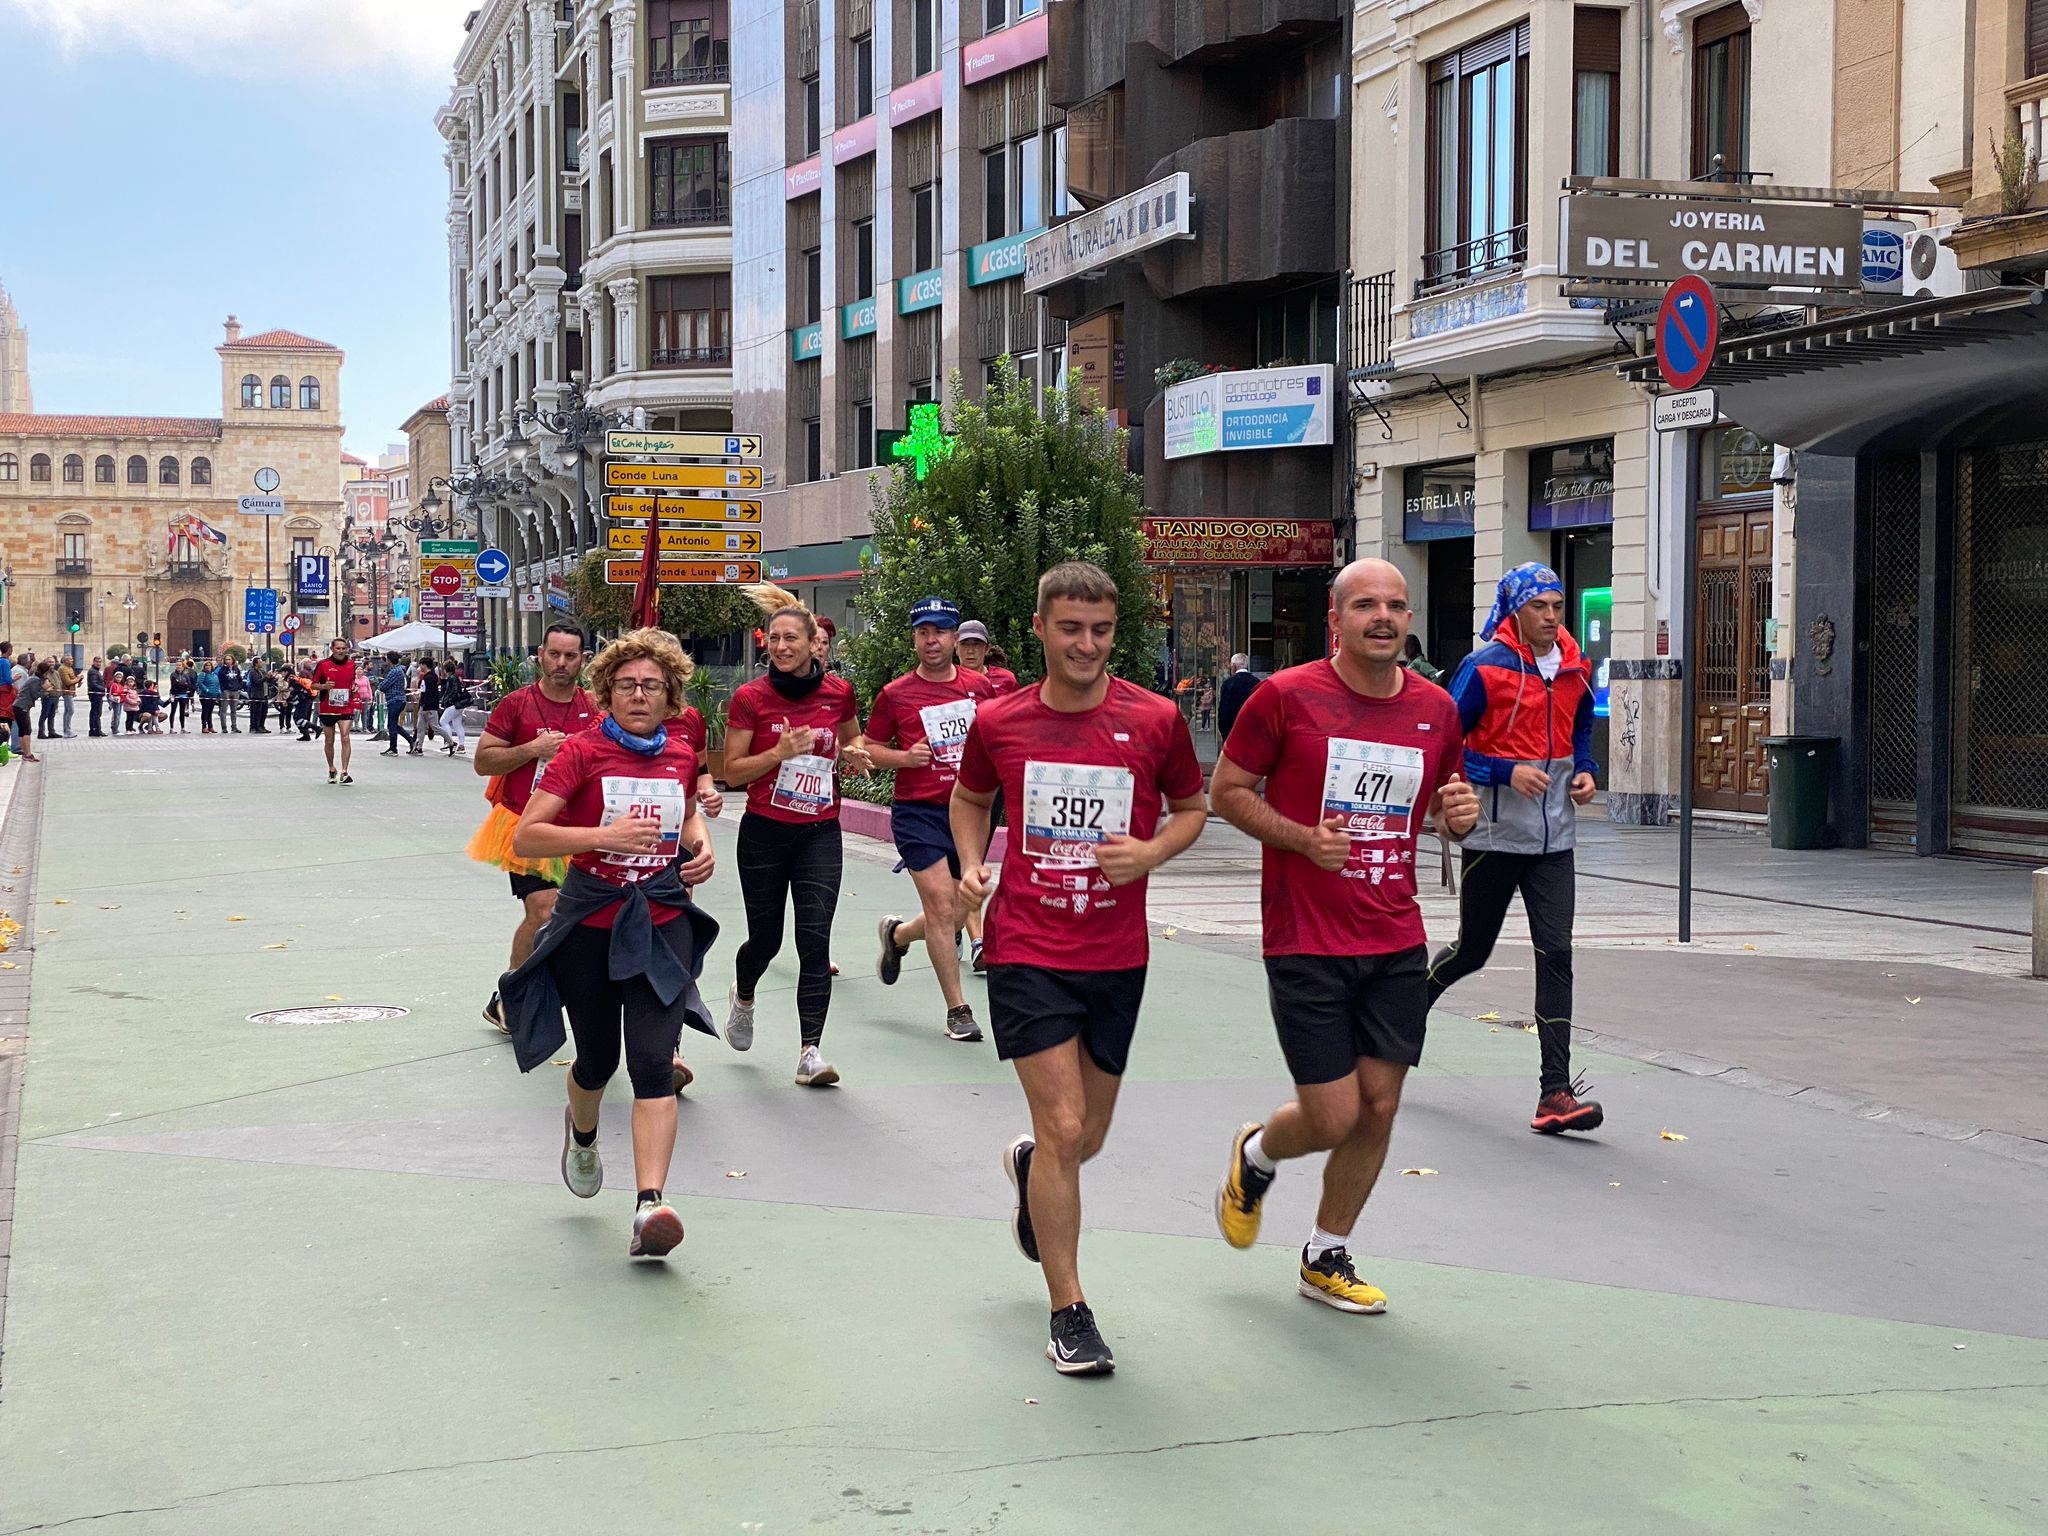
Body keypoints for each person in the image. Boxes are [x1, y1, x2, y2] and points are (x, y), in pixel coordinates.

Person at [954, 560, 1208, 1377]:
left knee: (1083, 1138)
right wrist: (970, 866)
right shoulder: (1002, 721)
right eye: (1070, 628)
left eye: (1100, 630)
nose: (1087, 644)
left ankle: (1031, 1171)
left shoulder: (1158, 719)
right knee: (1064, 1126)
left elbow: (1191, 809)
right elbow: (969, 798)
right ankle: (1070, 1310)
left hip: (1115, 953)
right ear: (1039, 630)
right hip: (1027, 946)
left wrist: (1152, 852)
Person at [1210, 558, 1479, 1316]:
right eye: (1366, 605)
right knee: (1333, 1115)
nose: (1384, 617)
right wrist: (1301, 838)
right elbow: (1227, 792)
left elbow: (1445, 807)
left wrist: (1459, 816)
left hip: (1394, 932)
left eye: (1396, 605)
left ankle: (1326, 1252)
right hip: (1305, 934)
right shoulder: (1284, 699)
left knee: (1381, 1107)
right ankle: (1256, 1154)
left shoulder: (1435, 710)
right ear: (1337, 620)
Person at [500, 627, 720, 1260]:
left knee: (652, 1064)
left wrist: (697, 847)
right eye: (626, 684)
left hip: (660, 920)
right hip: (589, 921)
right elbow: (529, 838)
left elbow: (688, 810)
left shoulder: (679, 753)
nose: (639, 695)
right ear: (607, 692)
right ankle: (584, 1132)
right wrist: (604, 836)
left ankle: (650, 1204)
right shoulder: (581, 752)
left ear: (670, 693)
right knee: (597, 1060)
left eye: (652, 685)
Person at [1426, 562, 1603, 1134]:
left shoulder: (1577, 667)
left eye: (1557, 606)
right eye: (1539, 608)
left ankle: (1555, 1092)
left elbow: (1579, 729)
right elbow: (1445, 744)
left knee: (1557, 952)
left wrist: (1586, 769)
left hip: (1555, 839)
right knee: (1472, 951)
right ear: (1514, 612)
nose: (1551, 617)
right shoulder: (1484, 669)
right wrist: (1503, 772)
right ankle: (1404, 1013)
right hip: (1493, 836)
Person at [720, 597, 868, 1087]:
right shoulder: (751, 697)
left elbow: (853, 741)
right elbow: (733, 770)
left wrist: (856, 755)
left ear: (812, 644)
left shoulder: (839, 692)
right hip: (764, 830)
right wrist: (778, 752)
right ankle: (743, 995)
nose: (782, 646)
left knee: (814, 939)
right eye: (775, 639)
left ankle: (810, 1051)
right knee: (766, 939)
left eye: (791, 639)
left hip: (819, 831)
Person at [860, 597, 995, 1043]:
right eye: (922, 632)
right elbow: (868, 749)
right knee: (942, 905)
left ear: (956, 639)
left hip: (971, 812)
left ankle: (897, 935)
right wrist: (905, 756)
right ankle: (958, 1009)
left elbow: (1002, 740)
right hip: (918, 811)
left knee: (961, 907)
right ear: (915, 638)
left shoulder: (982, 688)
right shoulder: (895, 694)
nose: (931, 639)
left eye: (939, 631)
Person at [471, 622, 598, 1030]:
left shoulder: (593, 707)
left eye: (570, 656)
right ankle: (513, 994)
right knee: (543, 909)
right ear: (540, 654)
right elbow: (483, 761)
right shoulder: (516, 704)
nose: (561, 663)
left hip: (577, 828)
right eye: (554, 654)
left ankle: (517, 995)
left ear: (583, 660)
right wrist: (532, 749)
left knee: (576, 918)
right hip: (523, 822)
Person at [312, 638, 358, 784]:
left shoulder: (351, 664)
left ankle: (344, 772)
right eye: (338, 648)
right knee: (329, 740)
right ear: (332, 649)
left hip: (346, 706)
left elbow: (352, 682)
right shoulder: (323, 665)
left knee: (345, 737)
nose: (341, 651)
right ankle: (331, 768)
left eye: (343, 648)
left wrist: (354, 687)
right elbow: (313, 685)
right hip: (328, 707)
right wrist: (324, 686)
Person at [956, 620, 1020, 695]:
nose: (970, 651)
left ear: (987, 648)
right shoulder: (945, 681)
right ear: (956, 647)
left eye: (977, 644)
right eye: (964, 644)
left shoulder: (1006, 679)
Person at [1217, 653, 1259, 744]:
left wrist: (1224, 732)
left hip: (1232, 729)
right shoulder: (1257, 683)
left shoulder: (1228, 684)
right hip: (1252, 729)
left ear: (1234, 666)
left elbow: (1224, 710)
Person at [378, 658, 415, 755]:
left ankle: (393, 748)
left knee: (391, 724)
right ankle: (411, 740)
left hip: (395, 699)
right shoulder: (399, 670)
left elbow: (383, 686)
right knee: (393, 724)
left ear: (390, 661)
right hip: (399, 699)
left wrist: (381, 684)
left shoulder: (394, 671)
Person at [437, 659, 468, 756]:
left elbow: (453, 691)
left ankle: (449, 741)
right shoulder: (455, 677)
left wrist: (446, 699)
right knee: (457, 724)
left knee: (443, 721)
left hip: (452, 704)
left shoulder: (451, 678)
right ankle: (461, 745)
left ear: (446, 669)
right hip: (459, 704)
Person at [196, 658, 223, 734]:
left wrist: (218, 691)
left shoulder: (214, 674)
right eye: (206, 665)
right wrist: (206, 690)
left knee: (210, 712)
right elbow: (200, 683)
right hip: (205, 696)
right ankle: (204, 726)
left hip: (213, 695)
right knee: (205, 711)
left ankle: (210, 726)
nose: (208, 667)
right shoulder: (202, 674)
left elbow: (217, 684)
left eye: (209, 665)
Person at [247, 659, 274, 734]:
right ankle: (255, 727)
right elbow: (257, 682)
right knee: (256, 712)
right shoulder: (252, 672)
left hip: (264, 694)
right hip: (257, 695)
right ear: (256, 664)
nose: (262, 663)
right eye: (260, 662)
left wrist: (271, 677)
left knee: (264, 711)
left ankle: (262, 726)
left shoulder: (262, 671)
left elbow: (268, 681)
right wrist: (266, 677)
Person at [221, 657, 246, 731]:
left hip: (235, 691)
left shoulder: (236, 669)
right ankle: (224, 727)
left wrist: (239, 688)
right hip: (226, 691)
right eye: (226, 660)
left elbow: (239, 679)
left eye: (229, 659)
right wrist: (223, 689)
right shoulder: (223, 669)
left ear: (232, 661)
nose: (228, 661)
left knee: (234, 710)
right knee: (224, 710)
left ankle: (234, 726)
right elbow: (220, 678)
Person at [34, 660, 58, 739]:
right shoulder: (40, 678)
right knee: (44, 715)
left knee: (52, 715)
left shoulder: (49, 675)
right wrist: (48, 689)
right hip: (46, 697)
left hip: (53, 696)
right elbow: (43, 689)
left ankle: (51, 731)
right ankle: (41, 732)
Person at [167, 662, 193, 733]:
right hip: (174, 695)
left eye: (180, 665)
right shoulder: (173, 674)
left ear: (183, 666)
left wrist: (184, 684)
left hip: (183, 695)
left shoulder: (185, 675)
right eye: (177, 665)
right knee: (173, 711)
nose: (178, 667)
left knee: (182, 712)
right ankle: (171, 728)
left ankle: (183, 728)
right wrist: (183, 684)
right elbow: (175, 684)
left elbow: (189, 684)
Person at [86, 655, 106, 737]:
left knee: (95, 713)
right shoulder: (93, 672)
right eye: (97, 662)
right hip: (95, 694)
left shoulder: (95, 671)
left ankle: (94, 729)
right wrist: (103, 689)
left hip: (97, 694)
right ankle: (96, 730)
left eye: (100, 662)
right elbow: (94, 684)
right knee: (96, 713)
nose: (98, 663)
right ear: (93, 662)